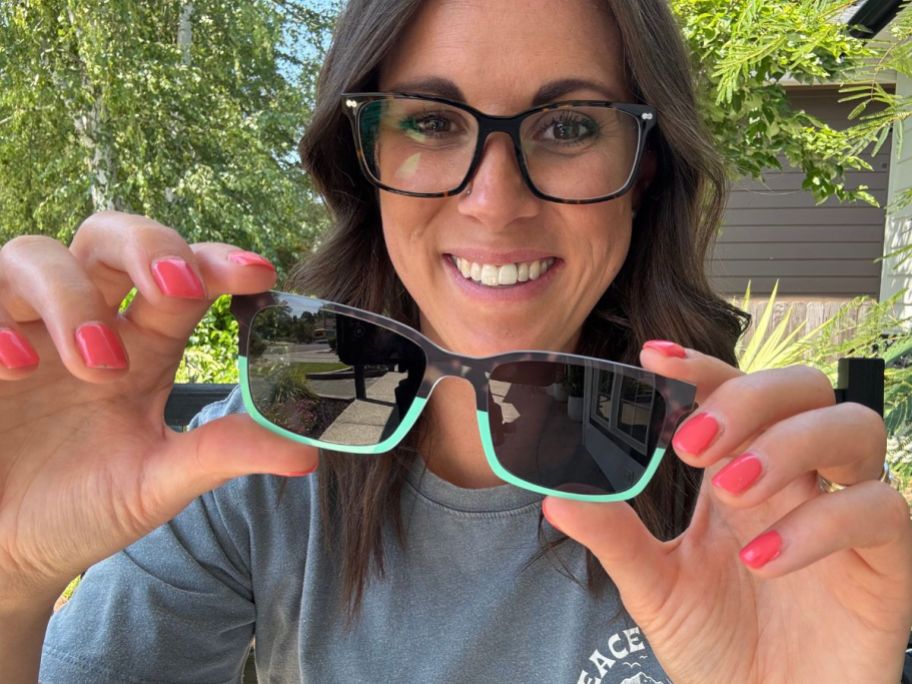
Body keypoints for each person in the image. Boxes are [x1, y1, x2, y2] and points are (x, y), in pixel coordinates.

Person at [2, 0, 911, 681]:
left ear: (644, 173)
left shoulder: (749, 494)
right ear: (366, 168)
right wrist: (11, 581)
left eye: (568, 126)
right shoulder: (264, 443)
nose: (493, 200)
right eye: (432, 122)